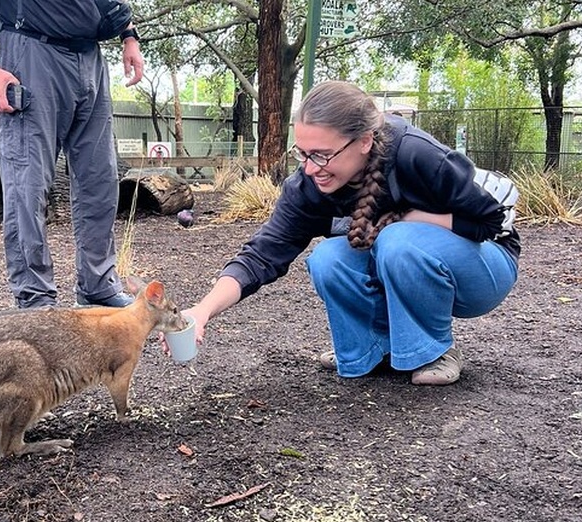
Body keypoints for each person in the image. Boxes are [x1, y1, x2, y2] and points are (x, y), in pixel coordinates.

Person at [179, 81, 520, 386]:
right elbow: (261, 255)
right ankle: (373, 348)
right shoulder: (308, 187)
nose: (310, 168)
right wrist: (202, 310)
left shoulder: (413, 152)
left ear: (364, 141)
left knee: (397, 241)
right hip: (404, 256)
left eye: (322, 155)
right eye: (303, 154)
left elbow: (493, 220)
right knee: (328, 258)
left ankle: (432, 350)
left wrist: (411, 218)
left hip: (481, 269)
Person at [0, 0, 145, 308]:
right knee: (27, 183)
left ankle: (99, 287)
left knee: (100, 181)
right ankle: (35, 300)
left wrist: (129, 36)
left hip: (90, 55)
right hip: (31, 49)